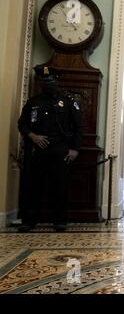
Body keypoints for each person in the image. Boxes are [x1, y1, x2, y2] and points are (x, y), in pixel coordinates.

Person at [17, 66, 82, 232]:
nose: (48, 83)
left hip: (60, 149)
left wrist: (75, 149)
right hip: (36, 150)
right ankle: (29, 221)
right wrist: (32, 136)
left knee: (60, 186)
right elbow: (22, 124)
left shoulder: (67, 102)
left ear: (57, 81)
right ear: (40, 82)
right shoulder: (33, 102)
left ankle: (60, 220)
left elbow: (78, 127)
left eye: (51, 80)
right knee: (32, 186)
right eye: (44, 80)